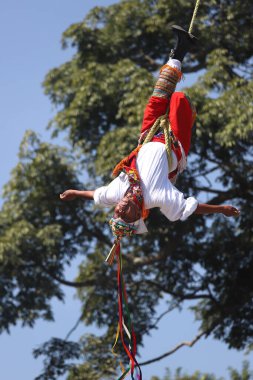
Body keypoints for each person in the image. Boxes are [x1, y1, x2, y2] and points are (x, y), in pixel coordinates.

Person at [60, 26, 240, 239]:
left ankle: (180, 48)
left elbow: (96, 196)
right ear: (138, 215)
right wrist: (221, 210)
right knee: (178, 99)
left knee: (159, 96)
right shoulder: (156, 197)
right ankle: (187, 108)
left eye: (117, 211)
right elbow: (187, 208)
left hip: (147, 136)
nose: (121, 207)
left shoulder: (117, 193)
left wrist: (74, 193)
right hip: (174, 143)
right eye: (124, 213)